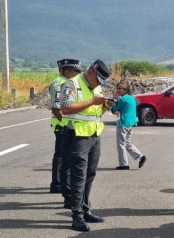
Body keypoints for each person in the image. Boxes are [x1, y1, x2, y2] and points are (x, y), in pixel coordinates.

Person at [60, 59, 113, 232]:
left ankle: (85, 209)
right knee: (78, 176)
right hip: (76, 136)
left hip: (94, 135)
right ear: (90, 72)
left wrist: (104, 106)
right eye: (98, 79)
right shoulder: (71, 84)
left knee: (90, 174)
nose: (99, 84)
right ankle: (76, 216)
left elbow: (95, 114)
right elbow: (65, 108)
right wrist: (92, 102)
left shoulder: (96, 87)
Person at [48, 59, 82, 199]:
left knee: (61, 155)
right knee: (63, 156)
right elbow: (56, 108)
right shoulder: (61, 84)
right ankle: (58, 184)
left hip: (62, 123)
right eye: (76, 72)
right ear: (66, 71)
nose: (79, 74)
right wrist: (65, 123)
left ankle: (57, 183)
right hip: (62, 124)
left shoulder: (62, 82)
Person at [111, 81, 146, 170]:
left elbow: (115, 109)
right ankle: (140, 156)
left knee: (121, 144)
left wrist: (114, 101)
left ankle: (123, 164)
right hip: (131, 123)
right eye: (117, 88)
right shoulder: (131, 98)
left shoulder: (123, 99)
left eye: (120, 89)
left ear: (125, 90)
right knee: (127, 143)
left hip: (123, 122)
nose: (118, 90)